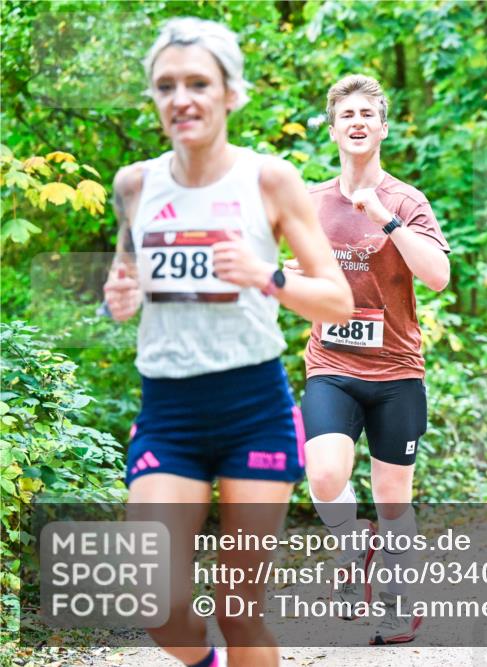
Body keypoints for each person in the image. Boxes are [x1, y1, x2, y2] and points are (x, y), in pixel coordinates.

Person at [101, 18, 353, 667]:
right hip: (168, 411)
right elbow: (123, 283)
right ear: (153, 99)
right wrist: (118, 299)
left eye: (197, 83)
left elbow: (337, 298)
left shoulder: (269, 180)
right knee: (152, 598)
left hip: (252, 408)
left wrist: (265, 276)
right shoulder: (135, 184)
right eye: (166, 85)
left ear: (229, 94)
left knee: (238, 608)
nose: (181, 97)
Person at [291, 74, 450, 645]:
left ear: (382, 128)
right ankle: (350, 543)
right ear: (333, 128)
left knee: (392, 498)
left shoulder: (407, 201)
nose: (357, 121)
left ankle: (397, 604)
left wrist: (383, 215)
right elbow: (299, 276)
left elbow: (436, 277)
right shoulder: (308, 203)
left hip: (396, 373)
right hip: (332, 363)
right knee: (326, 472)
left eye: (367, 114)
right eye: (346, 114)